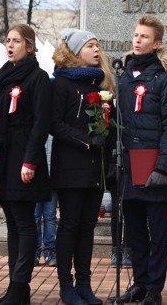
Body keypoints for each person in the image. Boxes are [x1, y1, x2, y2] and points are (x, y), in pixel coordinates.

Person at [115, 15, 167, 305]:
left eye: (143, 36)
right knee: (134, 232)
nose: (136, 40)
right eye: (135, 34)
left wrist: (161, 167)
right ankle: (140, 284)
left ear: (156, 44)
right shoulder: (122, 77)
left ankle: (154, 288)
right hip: (128, 164)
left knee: (156, 232)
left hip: (152, 163)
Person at [0, 24, 52, 304]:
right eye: (7, 41)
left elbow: (41, 123)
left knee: (25, 223)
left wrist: (31, 161)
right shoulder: (3, 78)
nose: (9, 45)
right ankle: (18, 288)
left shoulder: (38, 78)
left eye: (15, 41)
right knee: (12, 222)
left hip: (25, 157)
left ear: (29, 46)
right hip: (4, 157)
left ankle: (19, 283)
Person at [50, 28, 115, 305]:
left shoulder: (99, 85)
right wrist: (86, 141)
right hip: (70, 166)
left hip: (94, 168)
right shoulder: (60, 84)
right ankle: (66, 285)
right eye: (90, 45)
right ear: (76, 52)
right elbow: (55, 123)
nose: (96, 50)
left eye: (98, 45)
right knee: (70, 224)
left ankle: (84, 283)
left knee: (88, 225)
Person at [34, 136, 57, 267]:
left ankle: (50, 250)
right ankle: (35, 251)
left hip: (51, 179)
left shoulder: (54, 132)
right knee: (35, 216)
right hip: (35, 178)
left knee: (50, 216)